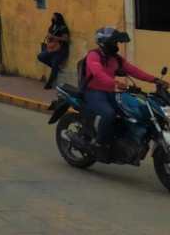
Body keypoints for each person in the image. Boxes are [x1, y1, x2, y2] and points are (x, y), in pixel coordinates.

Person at [82, 26, 166, 161]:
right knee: (109, 114)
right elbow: (98, 74)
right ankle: (99, 144)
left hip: (111, 92)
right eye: (113, 43)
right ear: (104, 43)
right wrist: (115, 83)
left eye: (116, 42)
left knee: (130, 111)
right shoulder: (94, 56)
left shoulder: (116, 59)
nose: (116, 46)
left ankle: (121, 141)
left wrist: (155, 80)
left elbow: (134, 71)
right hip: (94, 92)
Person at [37, 11, 70, 89]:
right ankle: (56, 68)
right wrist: (49, 37)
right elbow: (49, 36)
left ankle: (49, 83)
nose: (52, 18)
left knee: (55, 64)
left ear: (58, 18)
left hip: (60, 49)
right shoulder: (52, 27)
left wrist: (54, 37)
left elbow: (66, 39)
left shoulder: (63, 28)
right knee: (40, 56)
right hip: (51, 48)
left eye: (54, 17)